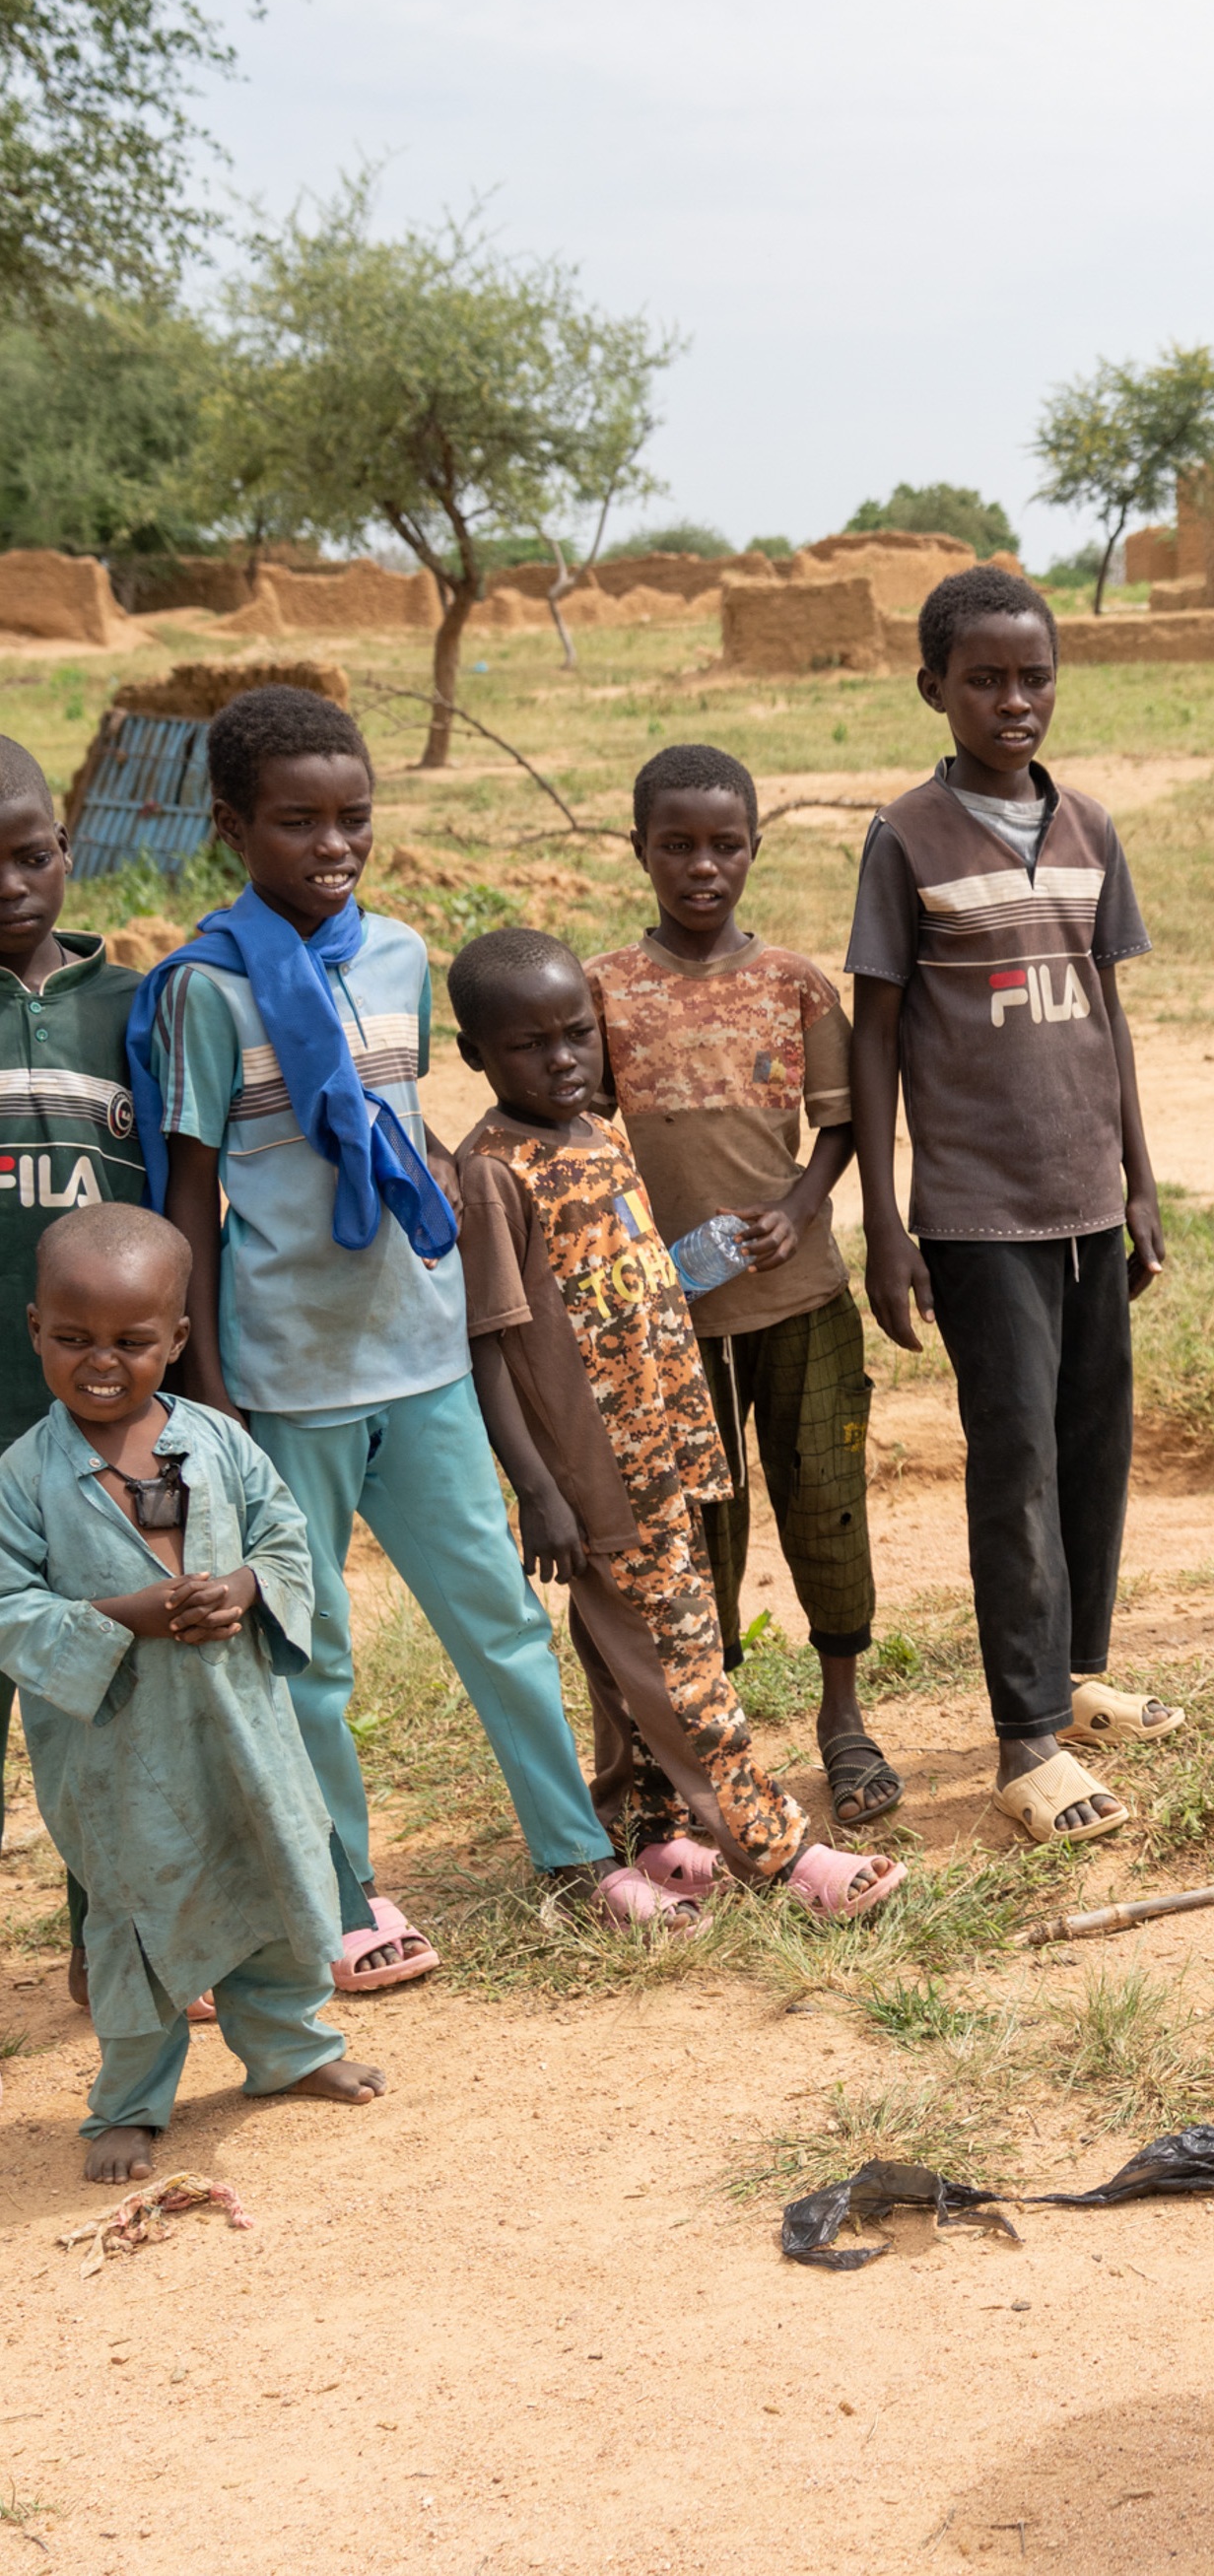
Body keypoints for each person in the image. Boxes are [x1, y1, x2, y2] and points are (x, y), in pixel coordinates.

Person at [132, 685, 632, 1985]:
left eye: (355, 818)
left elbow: (412, 1146)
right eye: (298, 822)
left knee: (499, 1617)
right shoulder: (204, 990)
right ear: (234, 827)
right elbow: (190, 1193)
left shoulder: (403, 956)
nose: (333, 844)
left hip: (421, 1356)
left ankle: (571, 1853)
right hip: (283, 1376)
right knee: (311, 1652)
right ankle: (342, 1888)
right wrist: (209, 1387)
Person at [452, 927, 903, 1925]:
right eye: (531, 1045)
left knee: (627, 1664)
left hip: (670, 1450)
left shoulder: (599, 1132)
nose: (564, 1058)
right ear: (475, 1052)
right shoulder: (493, 1173)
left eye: (578, 1034)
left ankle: (651, 1831)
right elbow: (486, 1345)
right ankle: (782, 1853)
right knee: (685, 1669)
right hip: (595, 1479)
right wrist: (539, 1491)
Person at [848, 567, 1176, 1850]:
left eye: (1033, 674)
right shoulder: (908, 838)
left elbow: (1109, 1016)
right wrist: (885, 1217)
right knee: (1018, 1461)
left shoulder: (1091, 827)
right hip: (979, 1213)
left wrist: (1139, 1179)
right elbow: (875, 1037)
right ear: (934, 686)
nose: (1013, 698)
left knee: (1096, 1441)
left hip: (1088, 1197)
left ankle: (1079, 1674)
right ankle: (1023, 1735)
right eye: (983, 677)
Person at [0, 1203, 385, 2181]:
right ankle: (128, 2102)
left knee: (268, 1878)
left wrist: (248, 1590)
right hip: (118, 1756)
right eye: (74, 1338)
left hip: (240, 1726)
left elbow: (285, 1539)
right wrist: (130, 1614)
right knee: (135, 1916)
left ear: (175, 1340)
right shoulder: (23, 1477)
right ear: (36, 1329)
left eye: (131, 1342)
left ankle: (291, 2051)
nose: (101, 1362)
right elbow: (9, 1605)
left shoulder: (215, 1442)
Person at [587, 744, 896, 1830]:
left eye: (726, 845)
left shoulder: (794, 985)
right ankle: (703, 1748)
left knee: (825, 1501)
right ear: (641, 852)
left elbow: (846, 1120)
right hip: (667, 1325)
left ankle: (843, 1721)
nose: (702, 866)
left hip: (799, 1300)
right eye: (677, 845)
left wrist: (801, 1208)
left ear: (754, 849)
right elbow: (573, 1128)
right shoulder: (605, 991)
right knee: (693, 1534)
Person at [0, 734, 153, 2012]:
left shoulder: (131, 1010)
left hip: (101, 1439)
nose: (13, 882)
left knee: (104, 1702)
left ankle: (110, 1938)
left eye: (33, 852)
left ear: (67, 849)